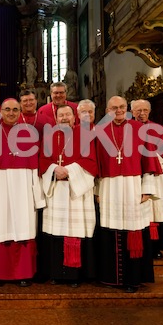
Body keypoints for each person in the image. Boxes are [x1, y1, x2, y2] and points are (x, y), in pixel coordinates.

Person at [95, 96, 162, 293]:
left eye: (122, 107)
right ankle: (110, 277)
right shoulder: (99, 132)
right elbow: (95, 164)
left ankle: (134, 278)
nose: (118, 110)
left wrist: (147, 189)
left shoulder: (139, 129)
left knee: (134, 230)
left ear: (127, 108)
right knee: (110, 228)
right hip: (108, 186)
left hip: (133, 186)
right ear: (107, 109)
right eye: (114, 107)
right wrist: (97, 191)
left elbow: (149, 160)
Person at [0, 98, 44, 287]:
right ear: (0, 112)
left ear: (20, 112)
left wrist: (37, 195)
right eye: (7, 109)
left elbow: (36, 167)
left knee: (23, 226)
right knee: (1, 227)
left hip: (24, 186)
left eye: (15, 110)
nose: (11, 113)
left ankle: (23, 273)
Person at [38, 104, 98, 287]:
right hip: (56, 190)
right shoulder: (49, 136)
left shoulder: (85, 135)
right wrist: (55, 169)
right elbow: (42, 160)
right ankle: (56, 274)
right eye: (60, 115)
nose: (64, 118)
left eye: (67, 115)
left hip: (76, 191)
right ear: (56, 119)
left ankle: (75, 275)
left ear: (75, 118)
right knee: (56, 233)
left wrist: (69, 170)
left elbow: (90, 160)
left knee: (75, 233)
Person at [131, 99, 163, 259]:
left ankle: (156, 247)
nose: (142, 113)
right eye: (138, 110)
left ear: (149, 111)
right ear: (132, 112)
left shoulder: (159, 130)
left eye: (144, 110)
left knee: (156, 209)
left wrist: (153, 159)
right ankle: (140, 246)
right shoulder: (128, 129)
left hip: (158, 176)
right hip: (136, 177)